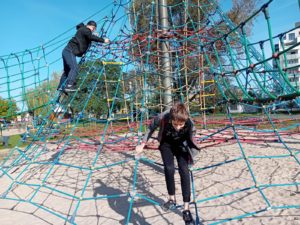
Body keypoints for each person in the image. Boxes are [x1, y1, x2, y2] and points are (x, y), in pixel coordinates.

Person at [136, 103, 200, 225]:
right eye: (175, 124)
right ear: (171, 118)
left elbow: (192, 135)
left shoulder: (188, 122)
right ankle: (172, 199)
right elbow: (151, 128)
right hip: (166, 144)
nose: (178, 127)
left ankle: (186, 209)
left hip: (181, 145)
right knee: (169, 168)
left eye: (181, 124)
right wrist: (142, 144)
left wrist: (192, 152)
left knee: (184, 171)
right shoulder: (163, 117)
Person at [57, 20, 109, 93]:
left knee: (67, 71)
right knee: (74, 67)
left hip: (67, 51)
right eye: (93, 28)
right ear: (91, 26)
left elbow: (87, 40)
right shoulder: (85, 29)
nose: (93, 30)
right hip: (70, 51)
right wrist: (103, 40)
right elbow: (91, 36)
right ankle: (69, 85)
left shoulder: (82, 31)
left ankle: (61, 87)